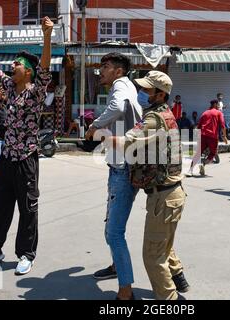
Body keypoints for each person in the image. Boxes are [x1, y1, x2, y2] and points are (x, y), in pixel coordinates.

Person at [0, 17, 53, 275]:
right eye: (14, 62)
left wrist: (47, 36)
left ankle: (26, 254)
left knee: (28, 210)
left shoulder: (35, 92)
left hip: (26, 159)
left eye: (18, 64)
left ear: (28, 71)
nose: (13, 65)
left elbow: (45, 67)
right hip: (6, 158)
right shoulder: (8, 87)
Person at [107, 70, 190, 300]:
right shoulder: (165, 114)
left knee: (153, 258)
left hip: (163, 198)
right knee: (162, 244)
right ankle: (179, 275)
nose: (142, 93)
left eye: (147, 90)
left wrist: (100, 134)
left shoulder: (154, 119)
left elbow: (127, 142)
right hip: (172, 195)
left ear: (161, 95)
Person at [85, 53, 142, 300]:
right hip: (124, 164)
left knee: (114, 232)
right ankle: (117, 267)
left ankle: (125, 293)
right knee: (112, 225)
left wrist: (94, 126)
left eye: (105, 67)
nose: (101, 71)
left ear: (118, 71)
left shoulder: (120, 86)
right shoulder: (128, 86)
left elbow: (117, 108)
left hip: (123, 168)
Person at [187, 99, 228, 177]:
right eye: (218, 104)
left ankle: (190, 170)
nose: (219, 106)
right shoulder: (219, 113)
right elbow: (223, 126)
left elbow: (198, 126)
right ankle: (204, 163)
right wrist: (224, 137)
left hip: (203, 135)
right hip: (212, 137)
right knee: (213, 153)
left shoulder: (205, 113)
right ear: (215, 104)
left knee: (198, 153)